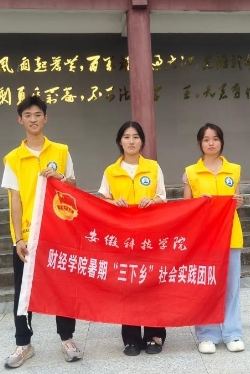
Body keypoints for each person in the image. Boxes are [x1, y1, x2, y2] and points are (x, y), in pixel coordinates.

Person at [1, 94, 83, 368]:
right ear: (20, 120)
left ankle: (67, 338)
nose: (33, 119)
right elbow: (14, 201)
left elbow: (73, 186)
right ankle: (23, 343)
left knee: (63, 287)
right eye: (28, 115)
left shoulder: (61, 151)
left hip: (58, 231)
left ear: (45, 118)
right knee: (23, 290)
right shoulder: (13, 158)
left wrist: (61, 178)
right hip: (28, 235)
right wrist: (18, 239)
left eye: (38, 115)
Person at [98, 121, 167, 356]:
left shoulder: (153, 167)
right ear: (120, 141)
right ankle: (131, 339)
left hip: (150, 237)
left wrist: (152, 200)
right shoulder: (111, 171)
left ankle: (155, 335)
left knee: (152, 284)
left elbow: (163, 197)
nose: (131, 141)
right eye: (126, 137)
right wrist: (113, 202)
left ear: (142, 141)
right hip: (123, 238)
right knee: (127, 286)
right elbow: (101, 201)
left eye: (136, 137)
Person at [183, 123, 245, 354]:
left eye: (215, 139)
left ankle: (232, 333)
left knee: (231, 287)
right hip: (204, 238)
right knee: (206, 286)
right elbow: (186, 206)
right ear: (200, 143)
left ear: (221, 142)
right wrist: (199, 203)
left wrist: (238, 202)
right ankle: (207, 334)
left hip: (230, 235)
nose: (211, 143)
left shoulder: (234, 170)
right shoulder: (191, 172)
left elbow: (236, 198)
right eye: (206, 139)